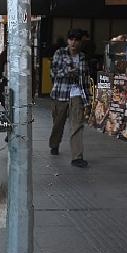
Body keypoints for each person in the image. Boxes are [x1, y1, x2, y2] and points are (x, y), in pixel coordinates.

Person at [49, 29, 92, 168]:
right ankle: (54, 144)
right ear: (68, 40)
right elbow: (53, 72)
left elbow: (85, 80)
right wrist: (67, 72)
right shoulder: (59, 53)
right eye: (71, 39)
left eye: (76, 40)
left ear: (80, 42)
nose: (73, 42)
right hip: (61, 93)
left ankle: (77, 157)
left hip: (77, 94)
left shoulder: (83, 57)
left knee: (77, 125)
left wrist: (88, 100)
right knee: (58, 123)